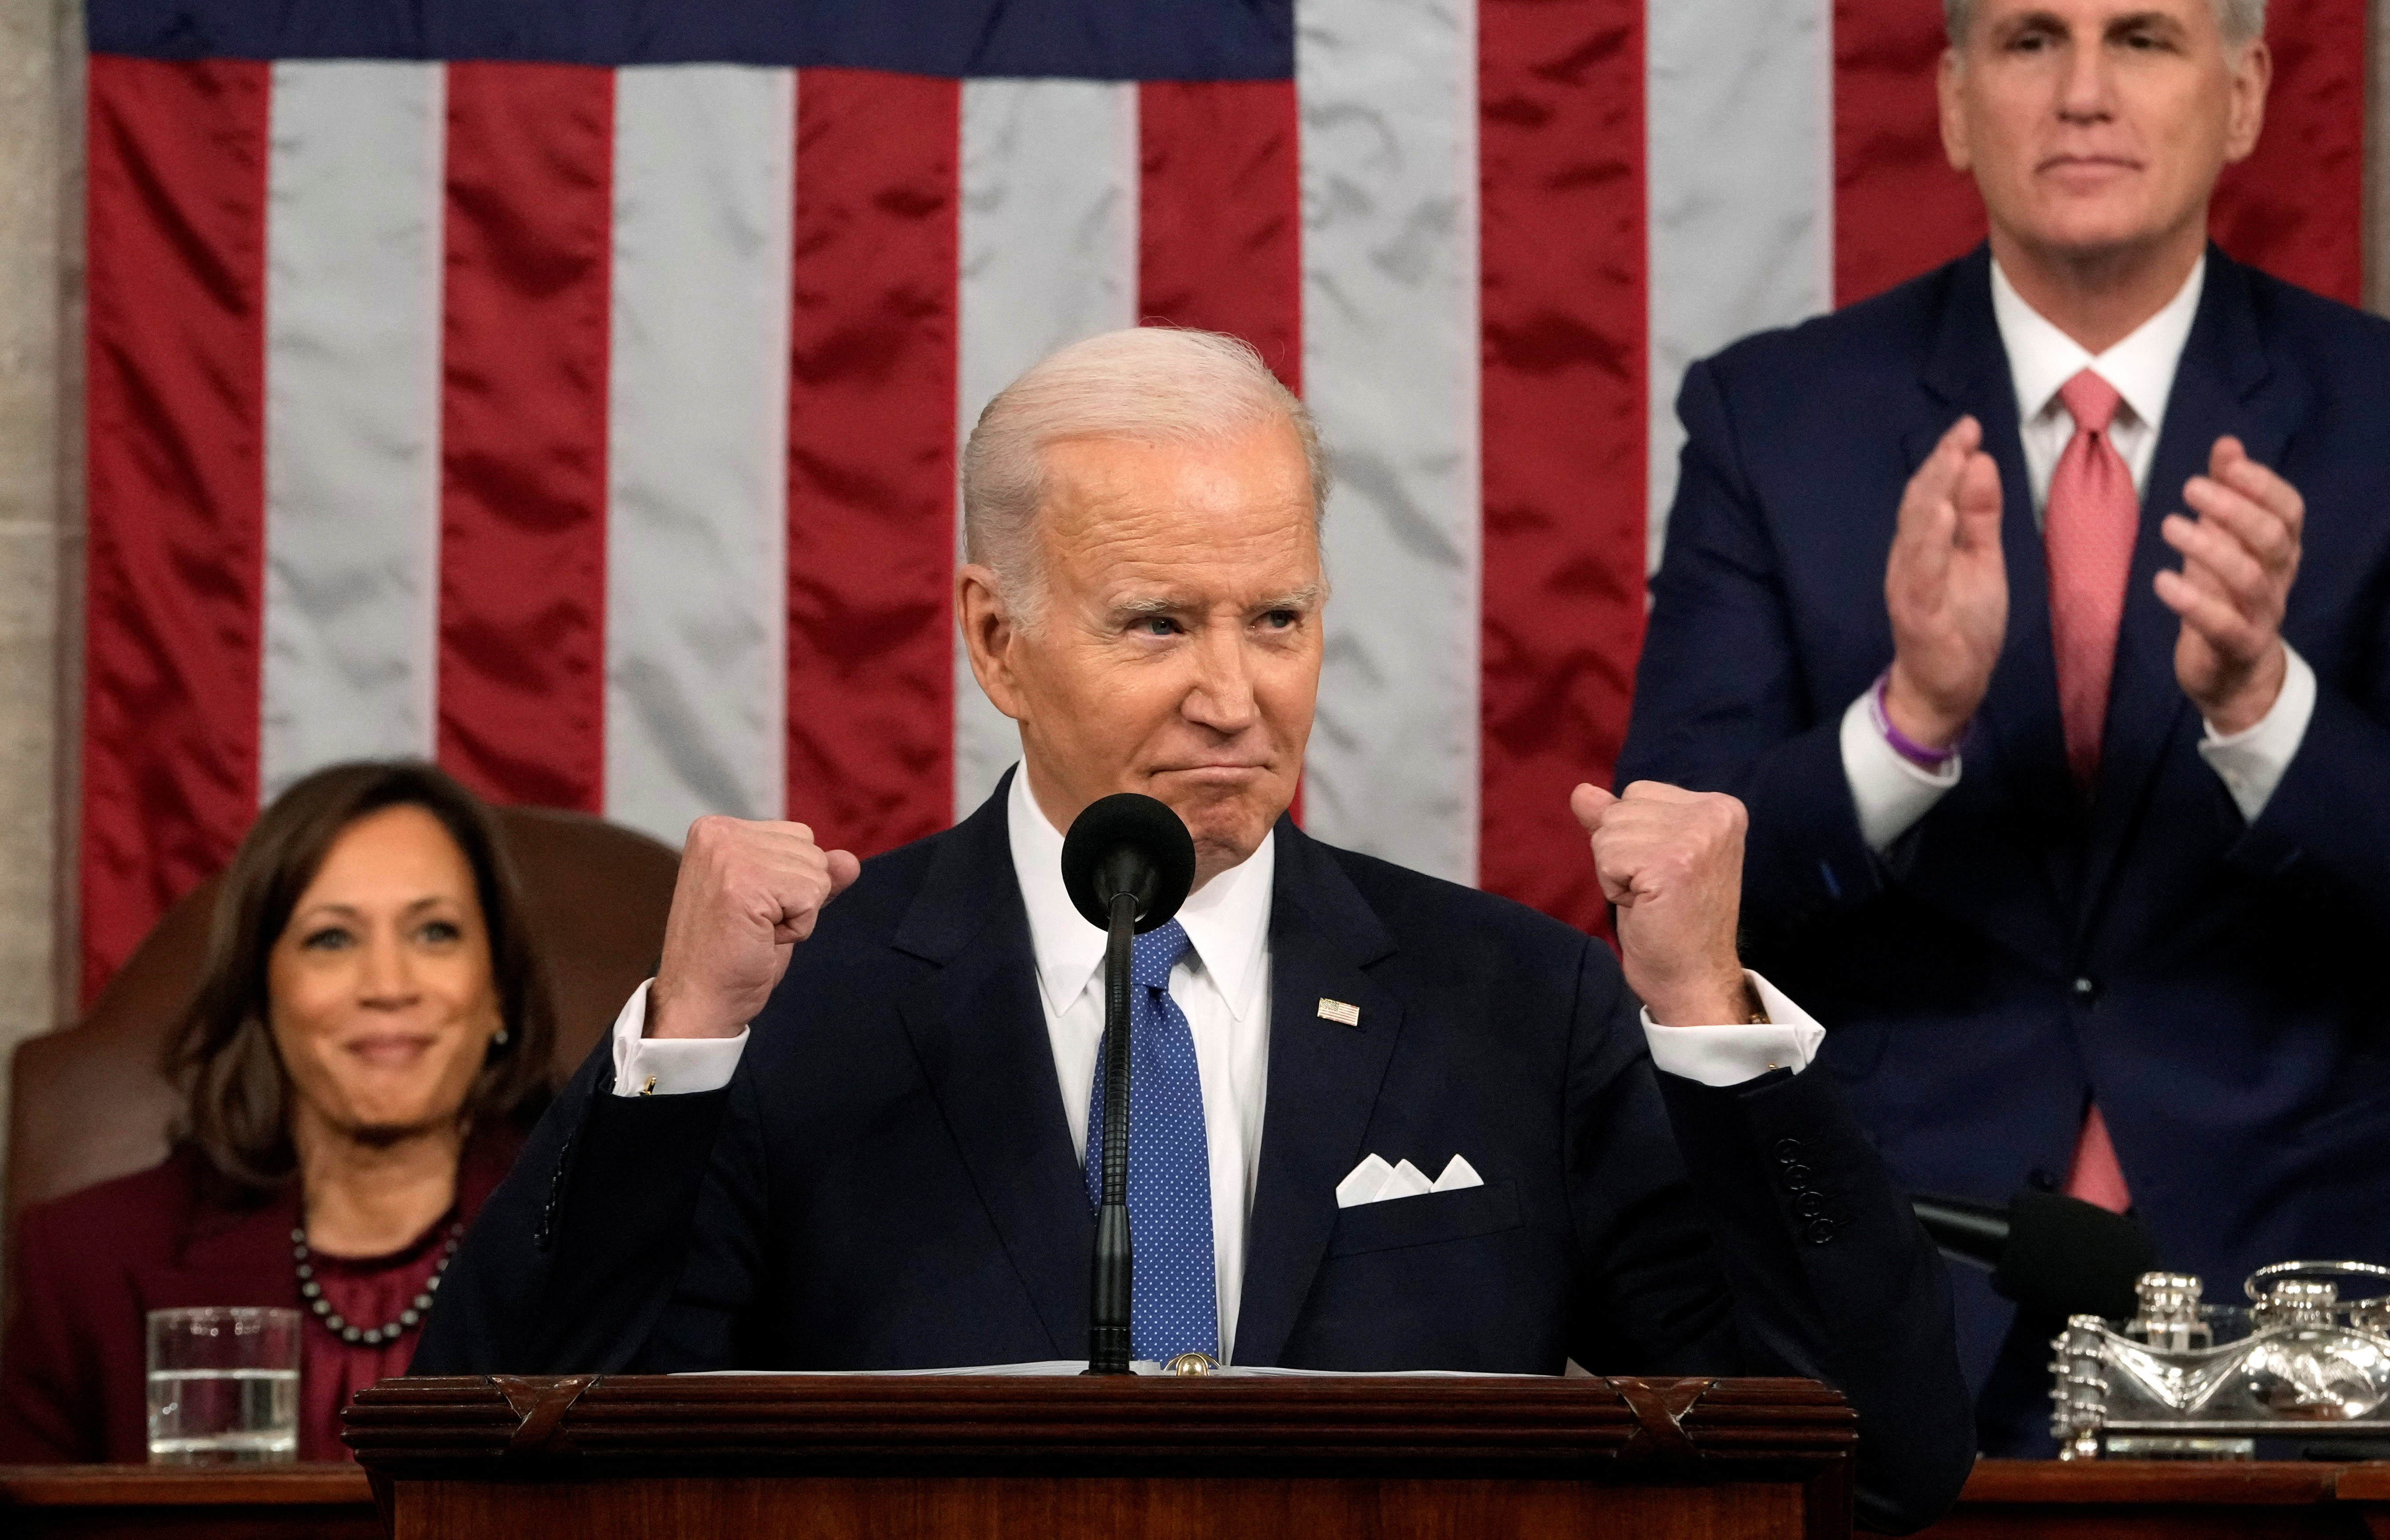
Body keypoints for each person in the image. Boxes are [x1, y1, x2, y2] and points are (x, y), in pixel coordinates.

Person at [417, 327, 1973, 1531]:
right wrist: (681, 1044)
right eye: (1158, 623)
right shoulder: (798, 1008)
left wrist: (1708, 1017)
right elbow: (493, 1458)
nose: (1235, 698)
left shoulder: (1514, 1003)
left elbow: (1880, 1461)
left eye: (1276, 621)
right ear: (995, 639)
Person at [1616, 0, 2390, 1453]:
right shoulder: (1772, 419)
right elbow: (1667, 891)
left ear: (2238, 96)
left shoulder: (2376, 415)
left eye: (2142, 41)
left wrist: (2260, 707)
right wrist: (1905, 723)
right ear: (1955, 102)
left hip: (2305, 1302)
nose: (2083, 93)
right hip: (1902, 1294)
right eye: (2031, 39)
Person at [0, 762, 556, 1461]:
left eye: (435, 932)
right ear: (263, 991)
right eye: (332, 938)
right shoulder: (88, 1261)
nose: (387, 986)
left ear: (498, 987)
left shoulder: (597, 1246)